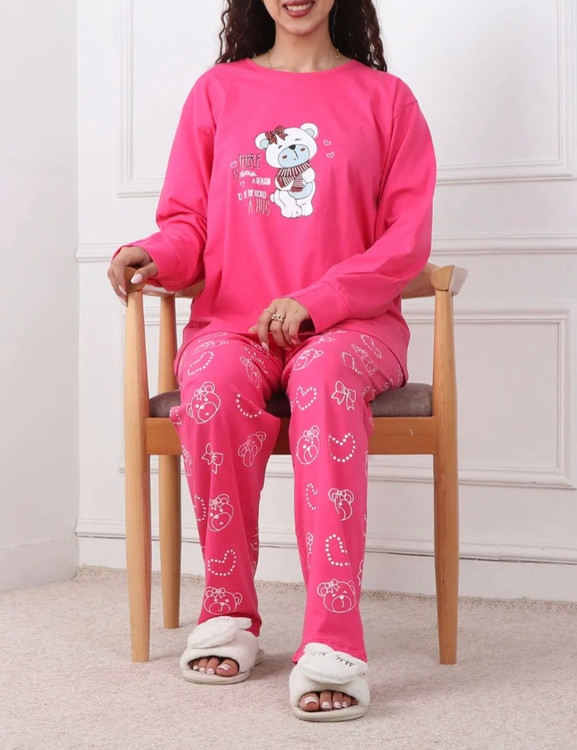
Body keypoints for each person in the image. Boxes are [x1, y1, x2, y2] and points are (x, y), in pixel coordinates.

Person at [108, 0, 436, 722]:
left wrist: (319, 301)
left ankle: (333, 639)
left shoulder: (387, 100)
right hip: (234, 323)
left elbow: (405, 240)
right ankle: (227, 608)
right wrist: (152, 253)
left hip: (351, 328)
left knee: (322, 375)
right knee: (210, 384)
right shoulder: (217, 92)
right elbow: (188, 225)